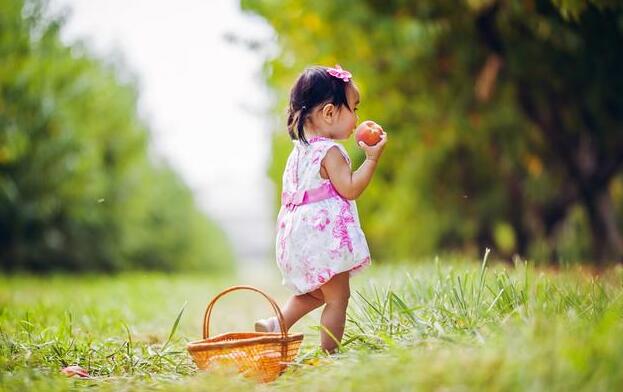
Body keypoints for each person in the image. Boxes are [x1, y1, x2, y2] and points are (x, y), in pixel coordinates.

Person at [255, 65, 387, 353]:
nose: (358, 118)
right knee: (338, 298)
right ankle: (331, 354)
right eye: (354, 108)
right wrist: (372, 160)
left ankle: (275, 324)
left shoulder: (298, 153)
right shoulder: (330, 152)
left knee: (315, 293)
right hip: (324, 241)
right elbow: (350, 188)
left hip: (297, 241)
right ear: (329, 113)